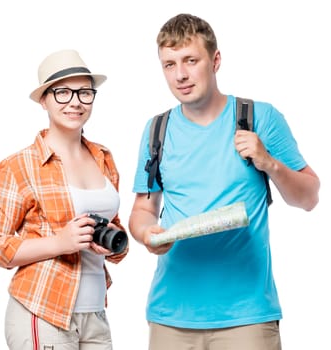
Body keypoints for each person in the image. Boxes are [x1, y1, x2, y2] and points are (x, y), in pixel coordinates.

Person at [128, 13, 320, 350]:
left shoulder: (259, 117)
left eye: (191, 60)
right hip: (171, 316)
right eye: (169, 65)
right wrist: (146, 234)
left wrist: (269, 163)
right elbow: (143, 210)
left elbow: (309, 197)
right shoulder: (156, 129)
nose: (181, 75)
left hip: (246, 319)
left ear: (215, 61)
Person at [0, 49, 128, 350]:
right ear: (44, 100)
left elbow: (116, 234)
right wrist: (59, 243)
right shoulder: (21, 165)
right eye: (62, 92)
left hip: (95, 312)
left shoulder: (103, 157)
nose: (75, 102)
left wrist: (112, 244)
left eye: (85, 92)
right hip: (43, 311)